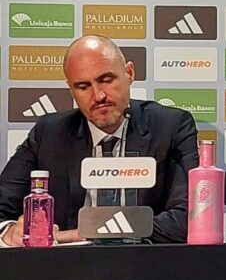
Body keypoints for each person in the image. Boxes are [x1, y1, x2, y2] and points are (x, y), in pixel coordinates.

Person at [0, 35, 199, 246]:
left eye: (106, 80)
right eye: (83, 86)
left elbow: (190, 219)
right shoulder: (49, 134)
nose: (98, 96)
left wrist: (78, 234)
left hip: (144, 261)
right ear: (71, 90)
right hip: (69, 265)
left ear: (129, 73)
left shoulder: (170, 127)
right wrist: (10, 231)